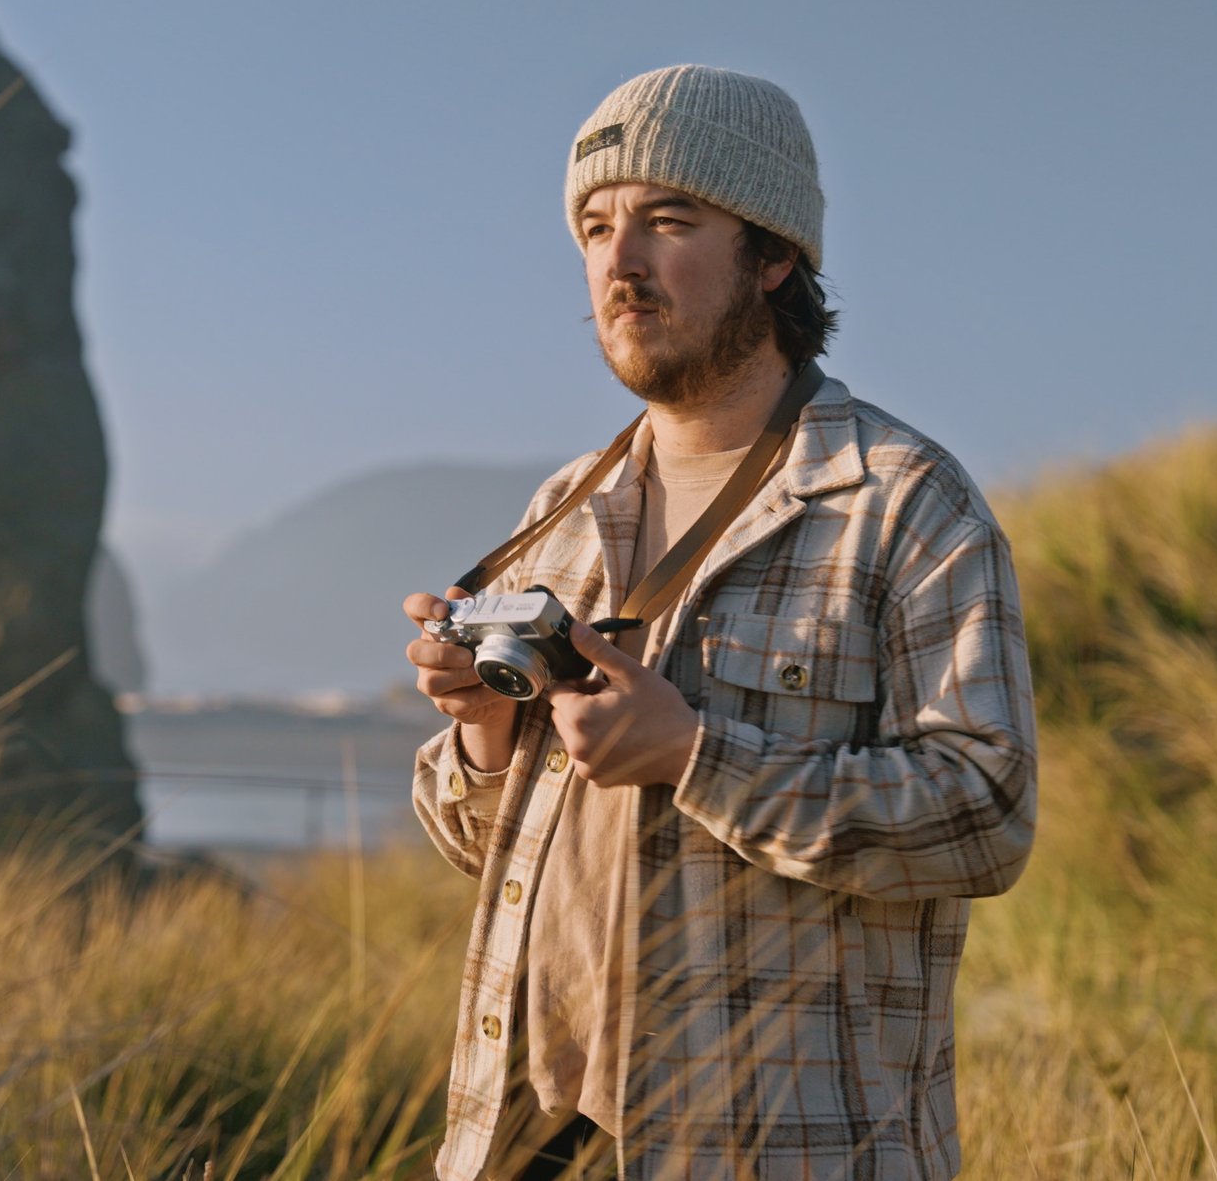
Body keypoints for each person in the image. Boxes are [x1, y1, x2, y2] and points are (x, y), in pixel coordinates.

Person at [406, 66, 1038, 1180]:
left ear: (774, 253)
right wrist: (479, 734)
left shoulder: (901, 502)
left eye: (668, 220)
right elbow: (479, 844)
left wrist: (698, 754)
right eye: (595, 226)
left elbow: (985, 810)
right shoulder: (559, 512)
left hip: (778, 1152)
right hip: (529, 1139)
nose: (619, 261)